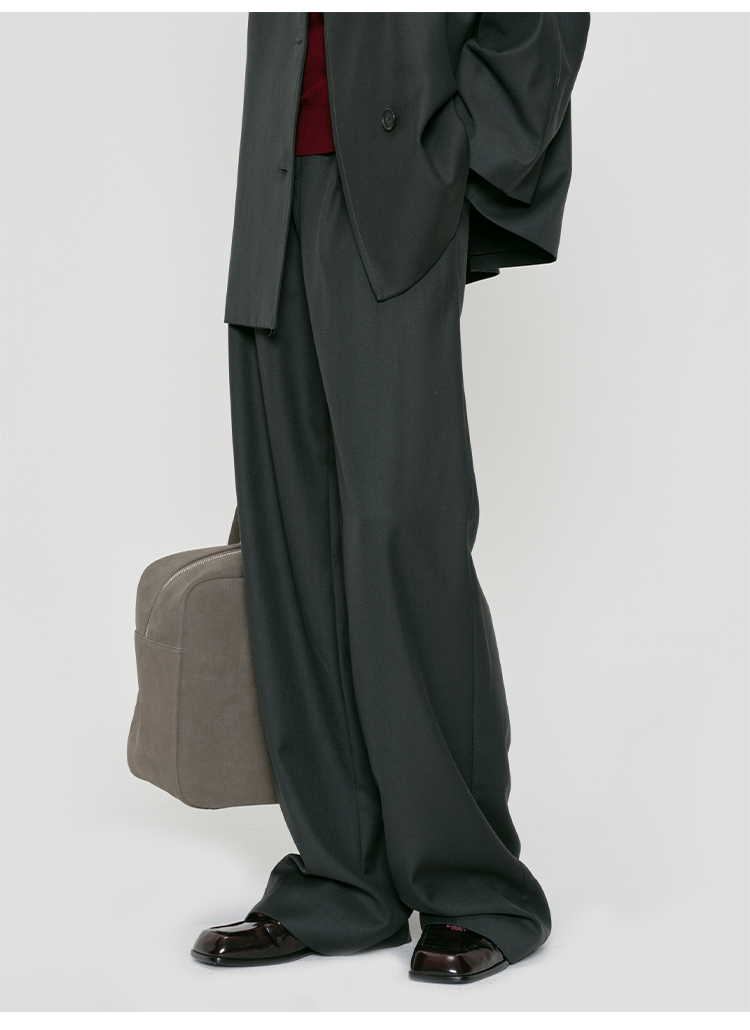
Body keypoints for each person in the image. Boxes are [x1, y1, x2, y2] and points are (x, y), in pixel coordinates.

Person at [191, 12, 590, 984]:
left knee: (399, 536)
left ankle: (474, 886)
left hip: (392, 177)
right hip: (273, 177)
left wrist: (458, 158)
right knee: (293, 543)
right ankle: (343, 880)